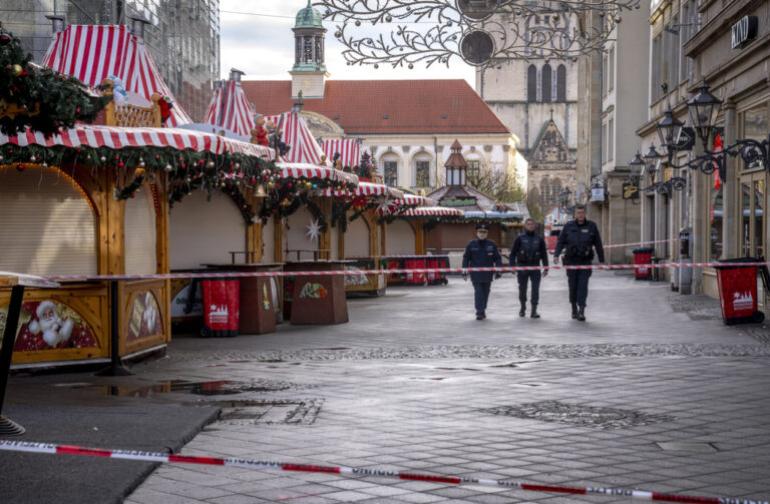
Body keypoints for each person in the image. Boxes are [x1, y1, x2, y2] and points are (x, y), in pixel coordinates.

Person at [553, 205, 604, 321]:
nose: (580, 215)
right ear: (575, 214)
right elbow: (561, 241)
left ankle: (581, 310)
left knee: (583, 286)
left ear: (585, 214)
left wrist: (601, 260)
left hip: (585, 261)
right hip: (571, 261)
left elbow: (598, 244)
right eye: (578, 213)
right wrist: (556, 254)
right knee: (573, 286)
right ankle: (573, 308)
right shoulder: (568, 226)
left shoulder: (592, 226)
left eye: (582, 213)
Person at [462, 223, 503, 320]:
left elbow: (497, 258)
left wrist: (498, 270)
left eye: (484, 232)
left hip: (487, 274)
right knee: (479, 292)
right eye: (480, 232)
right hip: (475, 274)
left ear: (487, 233)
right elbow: (466, 258)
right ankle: (479, 312)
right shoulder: (471, 244)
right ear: (477, 233)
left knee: (486, 292)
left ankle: (482, 309)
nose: (482, 234)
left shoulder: (491, 245)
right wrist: (464, 270)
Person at [510, 218, 548, 318]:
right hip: (522, 267)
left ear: (535, 226)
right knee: (522, 289)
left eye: (532, 224)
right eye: (528, 224)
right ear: (525, 226)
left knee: (535, 290)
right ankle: (523, 307)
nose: (530, 226)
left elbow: (544, 254)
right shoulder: (520, 238)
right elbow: (513, 253)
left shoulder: (539, 239)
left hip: (535, 267)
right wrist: (512, 266)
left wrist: (546, 267)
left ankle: (534, 310)